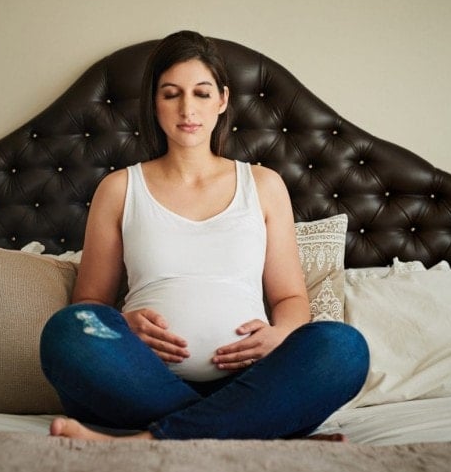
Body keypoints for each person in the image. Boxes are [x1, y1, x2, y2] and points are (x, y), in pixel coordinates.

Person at [39, 30, 369, 441]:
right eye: (171, 93)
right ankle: (256, 429)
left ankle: (152, 440)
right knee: (68, 331)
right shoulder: (120, 188)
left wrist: (280, 335)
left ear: (222, 100)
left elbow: (290, 299)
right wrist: (125, 325)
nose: (187, 109)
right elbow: (90, 302)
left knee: (344, 349)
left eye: (201, 92)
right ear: (154, 103)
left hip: (252, 382)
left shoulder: (263, 185)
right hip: (140, 382)